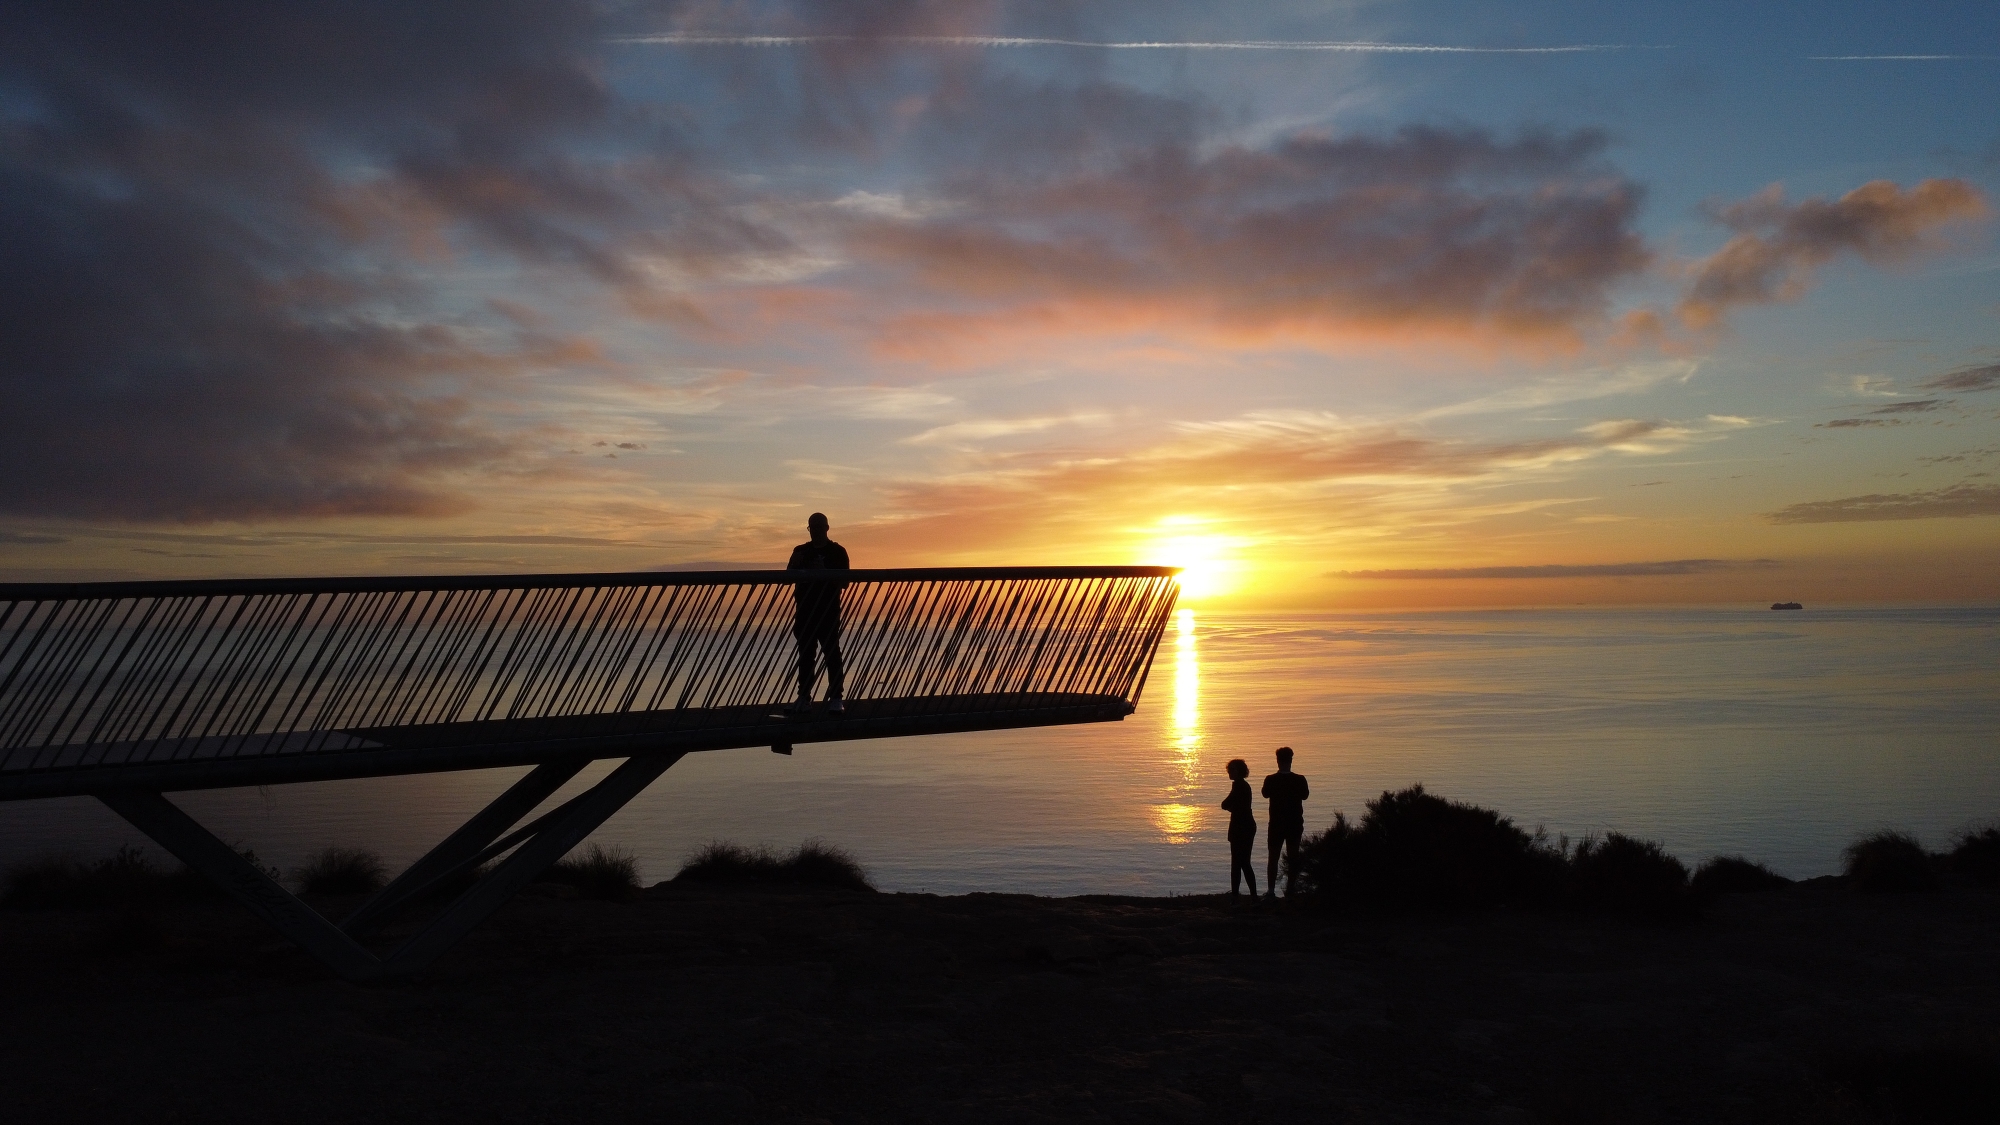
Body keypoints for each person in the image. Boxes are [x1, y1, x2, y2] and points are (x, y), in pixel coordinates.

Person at [786, 512, 849, 714]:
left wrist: (823, 571)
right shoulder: (801, 551)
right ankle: (803, 697)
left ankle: (836, 698)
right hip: (805, 611)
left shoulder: (837, 552)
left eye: (819, 527)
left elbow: (845, 582)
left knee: (832, 654)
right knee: (806, 655)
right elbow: (788, 577)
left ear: (827, 528)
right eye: (812, 527)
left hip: (828, 612)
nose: (815, 531)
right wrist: (796, 565)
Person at [1261, 746, 1309, 898]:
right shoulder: (1300, 779)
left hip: (1276, 824)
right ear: (1291, 760)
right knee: (1293, 857)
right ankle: (1290, 890)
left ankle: (1270, 891)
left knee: (1273, 858)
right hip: (1294, 824)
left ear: (1277, 761)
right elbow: (1305, 795)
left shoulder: (1271, 779)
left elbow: (1264, 794)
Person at [1220, 758, 1258, 897]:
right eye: (1229, 770)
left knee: (1240, 863)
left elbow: (1226, 804)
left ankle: (1240, 897)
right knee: (1241, 863)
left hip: (1242, 827)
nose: (1230, 772)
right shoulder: (1241, 785)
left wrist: (1231, 808)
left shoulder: (1239, 786)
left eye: (1233, 769)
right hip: (1243, 826)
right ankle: (1250, 897)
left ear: (1240, 771)